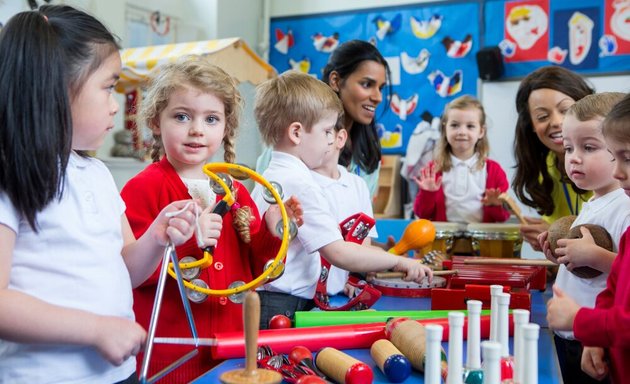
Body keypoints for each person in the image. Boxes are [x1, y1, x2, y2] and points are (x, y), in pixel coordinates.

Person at [0, 6, 199, 383]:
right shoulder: (12, 174)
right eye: (109, 87)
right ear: (56, 88)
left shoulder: (96, 174)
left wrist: (156, 237)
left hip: (116, 373)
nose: (116, 104)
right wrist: (94, 329)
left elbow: (126, 267)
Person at [120, 55, 302, 382]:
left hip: (230, 351)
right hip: (171, 355)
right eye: (181, 116)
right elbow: (131, 274)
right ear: (155, 122)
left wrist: (276, 229)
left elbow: (260, 267)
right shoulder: (142, 189)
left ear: (226, 127)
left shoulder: (235, 191)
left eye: (211, 119)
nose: (196, 130)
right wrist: (190, 238)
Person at [251, 71, 433, 329]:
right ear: (296, 133)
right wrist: (399, 261)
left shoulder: (271, 175)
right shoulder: (301, 184)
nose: (330, 141)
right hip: (281, 306)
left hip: (273, 301)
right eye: (326, 131)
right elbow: (339, 252)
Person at [540, 92, 629, 384]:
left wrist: (593, 256)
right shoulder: (592, 202)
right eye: (568, 148)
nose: (574, 157)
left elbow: (622, 273)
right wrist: (564, 256)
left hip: (597, 336)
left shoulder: (624, 205)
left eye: (588, 147)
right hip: (579, 333)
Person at [256, 39, 389, 197]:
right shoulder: (295, 137)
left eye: (380, 88)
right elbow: (269, 196)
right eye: (367, 84)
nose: (378, 97)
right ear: (336, 81)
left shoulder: (368, 151)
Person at [512, 66, 595, 250]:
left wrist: (557, 234)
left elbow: (615, 240)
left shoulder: (610, 164)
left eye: (565, 110)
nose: (557, 122)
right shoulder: (545, 168)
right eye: (542, 116)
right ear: (531, 125)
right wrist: (549, 245)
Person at [413, 95, 510, 223]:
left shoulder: (494, 171)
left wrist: (494, 205)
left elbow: (504, 217)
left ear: (481, 132)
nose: (462, 132)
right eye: (454, 125)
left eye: (470, 126)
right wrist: (428, 194)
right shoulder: (433, 170)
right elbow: (422, 214)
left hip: (481, 242)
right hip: (444, 242)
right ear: (445, 129)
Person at [310, 122, 378, 297]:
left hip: (341, 293)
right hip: (307, 293)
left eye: (324, 132)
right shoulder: (304, 181)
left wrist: (353, 278)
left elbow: (364, 241)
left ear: (340, 138)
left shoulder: (358, 185)